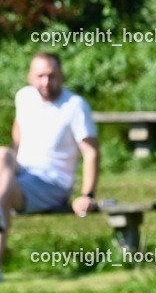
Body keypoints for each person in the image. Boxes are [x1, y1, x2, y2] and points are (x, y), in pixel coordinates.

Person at [0, 53, 100, 279]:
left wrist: (88, 195)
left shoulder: (75, 106)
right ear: (30, 77)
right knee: (2, 154)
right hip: (21, 173)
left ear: (61, 76)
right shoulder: (24, 97)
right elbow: (18, 131)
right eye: (40, 76)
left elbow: (91, 152)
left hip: (52, 183)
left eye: (51, 76)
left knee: (0, 194)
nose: (46, 82)